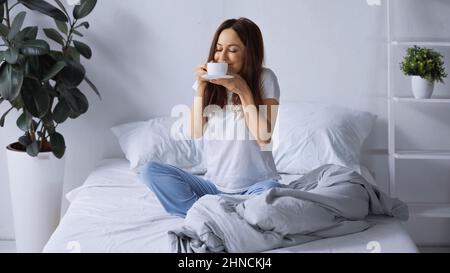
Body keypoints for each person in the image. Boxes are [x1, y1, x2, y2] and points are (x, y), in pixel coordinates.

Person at [139, 17, 282, 217]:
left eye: (232, 50)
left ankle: (213, 216)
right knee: (149, 171)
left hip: (257, 187)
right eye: (218, 48)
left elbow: (264, 137)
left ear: (250, 52)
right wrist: (202, 88)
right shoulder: (209, 84)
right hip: (213, 188)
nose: (222, 57)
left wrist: (243, 92)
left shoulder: (265, 78)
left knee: (268, 206)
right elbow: (195, 131)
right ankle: (221, 216)